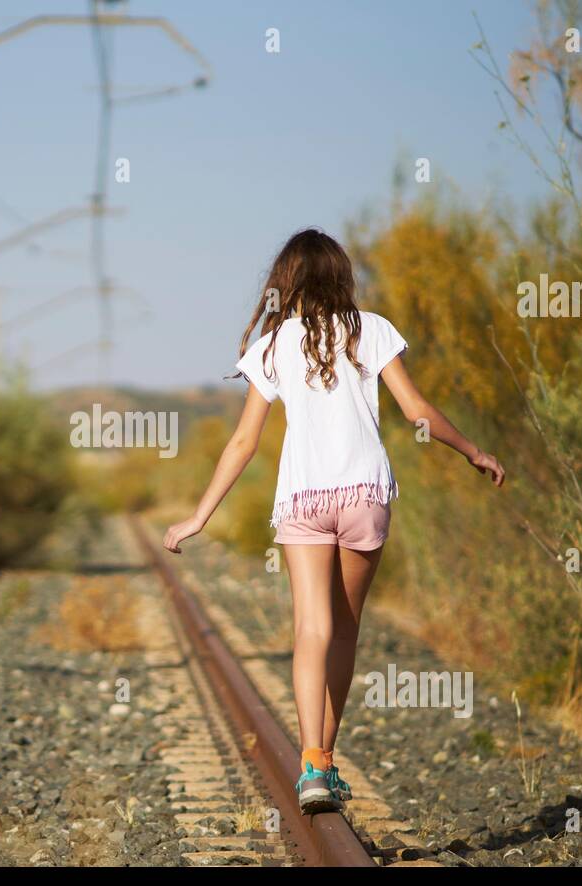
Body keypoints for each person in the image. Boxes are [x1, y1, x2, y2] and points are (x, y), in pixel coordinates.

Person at [162, 228, 505, 813]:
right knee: (345, 631)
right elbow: (417, 411)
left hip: (304, 499)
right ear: (342, 275)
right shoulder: (370, 329)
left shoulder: (273, 345)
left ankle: (311, 766)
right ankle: (324, 761)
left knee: (311, 630)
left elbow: (244, 441)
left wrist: (199, 515)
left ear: (287, 281)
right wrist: (473, 451)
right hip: (365, 493)